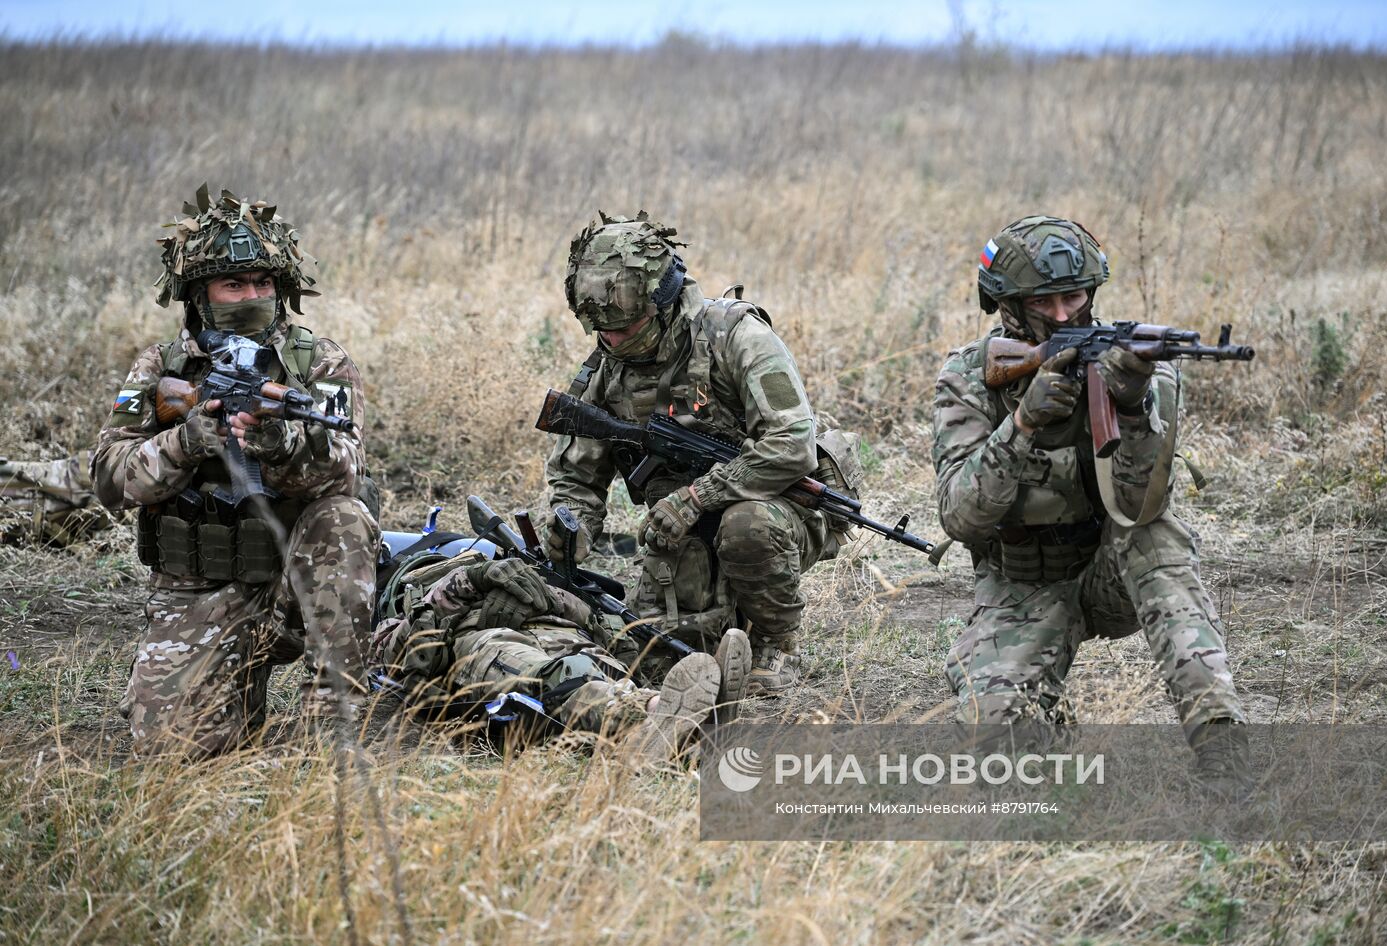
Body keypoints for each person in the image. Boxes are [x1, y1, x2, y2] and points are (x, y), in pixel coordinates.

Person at [931, 214, 1249, 788]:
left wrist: (1131, 406)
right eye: (1044, 302)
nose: (1062, 315)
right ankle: (1047, 724)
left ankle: (1221, 741)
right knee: (992, 745)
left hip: (1114, 574)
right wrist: (1023, 424)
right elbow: (959, 514)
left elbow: (1140, 503)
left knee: (1155, 533)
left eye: (1074, 297)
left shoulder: (1143, 372)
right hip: (1021, 585)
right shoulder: (971, 378)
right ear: (1007, 305)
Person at [92, 184, 376, 757]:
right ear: (199, 294)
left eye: (264, 283)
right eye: (233, 284)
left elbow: (346, 469)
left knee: (344, 518)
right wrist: (185, 441)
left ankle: (335, 711)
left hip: (295, 588)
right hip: (199, 586)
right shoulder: (160, 369)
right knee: (176, 751)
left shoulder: (318, 362)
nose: (252, 295)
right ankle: (232, 685)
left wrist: (280, 442)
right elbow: (108, 478)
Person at [544, 212, 851, 698]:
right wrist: (571, 529)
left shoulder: (737, 337)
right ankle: (727, 622)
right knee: (647, 653)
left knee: (747, 527)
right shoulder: (607, 365)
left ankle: (775, 641)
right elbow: (575, 476)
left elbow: (791, 445)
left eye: (626, 327)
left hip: (785, 503)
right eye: (600, 329)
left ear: (662, 302)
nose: (612, 340)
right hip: (681, 524)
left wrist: (696, 497)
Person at [371, 553, 751, 759]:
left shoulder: (516, 567)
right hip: (484, 643)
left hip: (565, 632)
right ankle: (661, 713)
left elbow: (608, 631)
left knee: (596, 666)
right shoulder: (401, 603)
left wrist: (550, 597)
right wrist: (471, 582)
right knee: (565, 675)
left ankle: (683, 731)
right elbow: (400, 654)